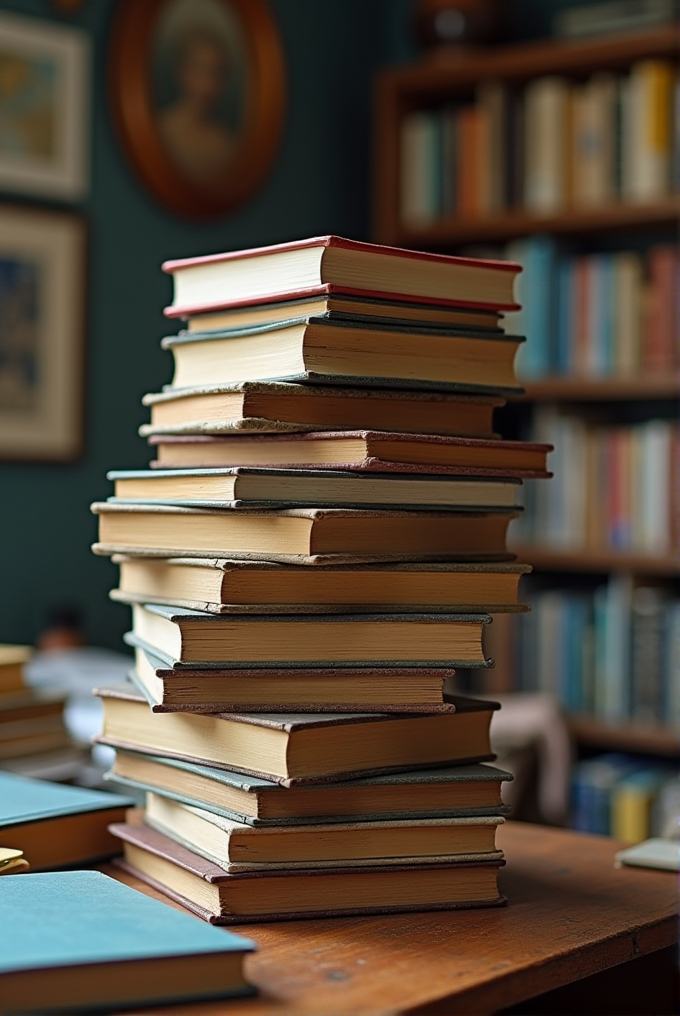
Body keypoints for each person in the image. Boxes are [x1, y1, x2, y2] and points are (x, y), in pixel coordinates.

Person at [158, 27, 238, 190]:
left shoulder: (224, 144)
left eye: (216, 73)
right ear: (182, 72)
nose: (209, 84)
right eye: (201, 71)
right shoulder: (160, 131)